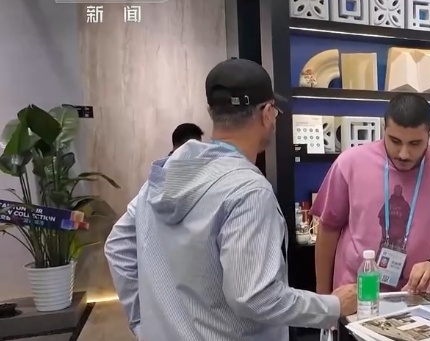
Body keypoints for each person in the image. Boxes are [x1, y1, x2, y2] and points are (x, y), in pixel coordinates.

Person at [104, 58, 357, 341]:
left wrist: (144, 323)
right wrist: (332, 306)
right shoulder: (249, 191)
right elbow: (254, 297)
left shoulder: (165, 175)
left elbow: (118, 247)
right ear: (267, 113)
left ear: (211, 112)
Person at [312, 93, 430, 295]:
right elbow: (328, 228)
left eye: (415, 143)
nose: (403, 154)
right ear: (385, 129)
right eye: (395, 141)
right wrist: (323, 300)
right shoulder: (349, 164)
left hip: (416, 297)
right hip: (354, 293)